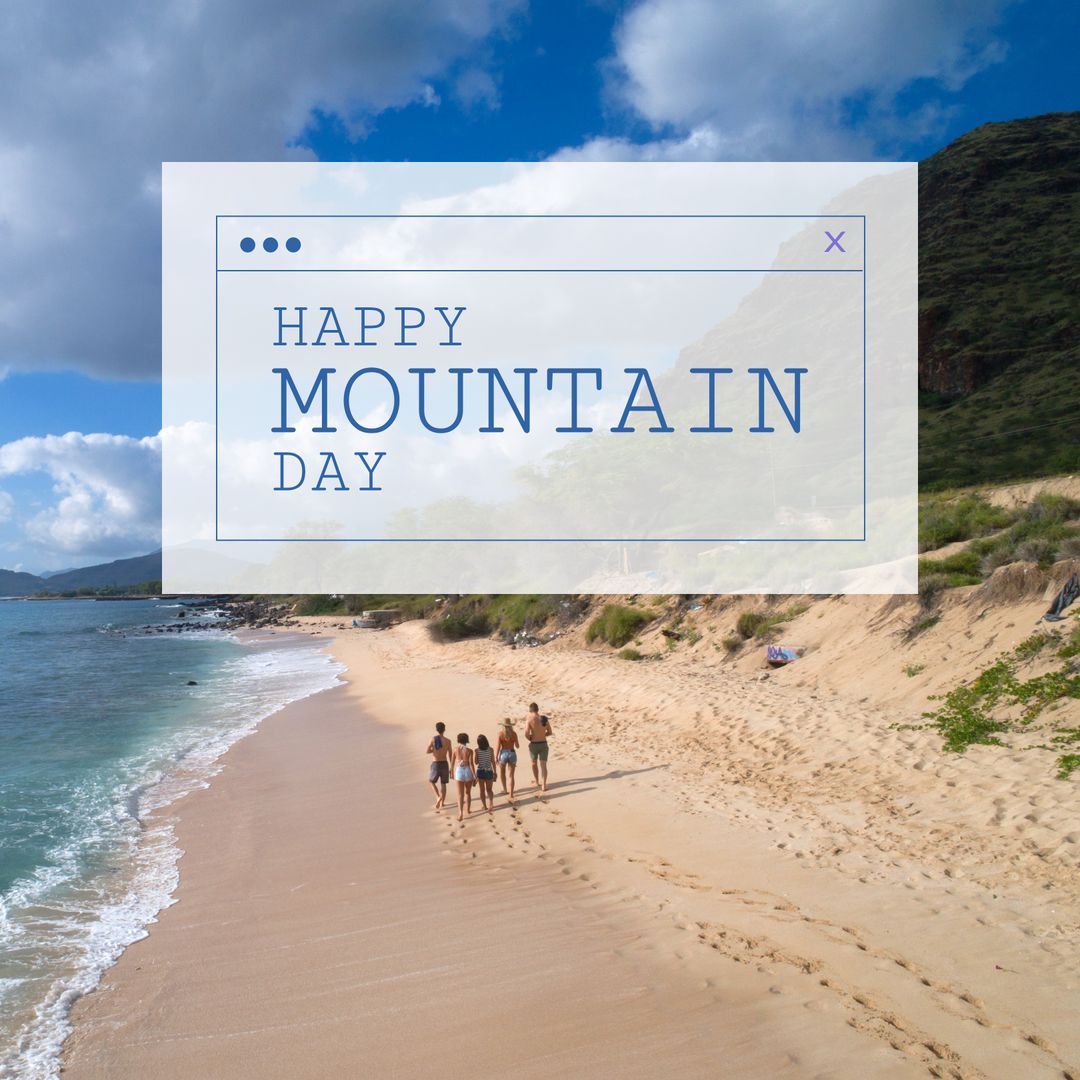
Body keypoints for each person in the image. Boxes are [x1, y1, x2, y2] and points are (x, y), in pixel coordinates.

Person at [524, 702, 552, 793]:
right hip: (543, 743)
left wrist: (530, 738)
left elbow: (526, 733)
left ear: (530, 710)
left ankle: (537, 781)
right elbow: (550, 732)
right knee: (543, 765)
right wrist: (543, 735)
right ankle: (544, 785)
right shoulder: (544, 719)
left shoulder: (529, 719)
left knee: (534, 763)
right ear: (537, 710)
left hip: (534, 744)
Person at [426, 721, 452, 809]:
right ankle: (442, 803)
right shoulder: (448, 741)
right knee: (443, 783)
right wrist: (451, 766)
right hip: (444, 763)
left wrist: (434, 749)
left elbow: (427, 751)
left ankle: (438, 797)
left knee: (432, 781)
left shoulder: (433, 739)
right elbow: (450, 754)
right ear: (444, 729)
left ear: (437, 730)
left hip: (435, 763)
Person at [452, 733, 476, 822]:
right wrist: (474, 775)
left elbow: (452, 763)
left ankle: (461, 813)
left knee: (460, 794)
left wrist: (451, 772)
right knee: (468, 793)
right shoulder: (470, 750)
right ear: (467, 740)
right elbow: (471, 764)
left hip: (459, 771)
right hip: (468, 771)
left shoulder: (455, 749)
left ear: (458, 740)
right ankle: (468, 810)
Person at [496, 718, 520, 800]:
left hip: (503, 753)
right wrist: (513, 742)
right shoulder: (514, 734)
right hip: (512, 753)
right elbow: (517, 746)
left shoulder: (500, 734)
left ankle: (505, 790)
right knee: (511, 775)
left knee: (502, 773)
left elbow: (498, 747)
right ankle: (511, 794)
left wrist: (496, 757)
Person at [474, 734, 496, 812]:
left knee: (482, 790)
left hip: (480, 771)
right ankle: (491, 803)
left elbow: (476, 762)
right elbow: (493, 761)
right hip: (489, 771)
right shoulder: (491, 749)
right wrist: (495, 772)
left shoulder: (477, 750)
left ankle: (484, 806)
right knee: (489, 790)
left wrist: (476, 755)